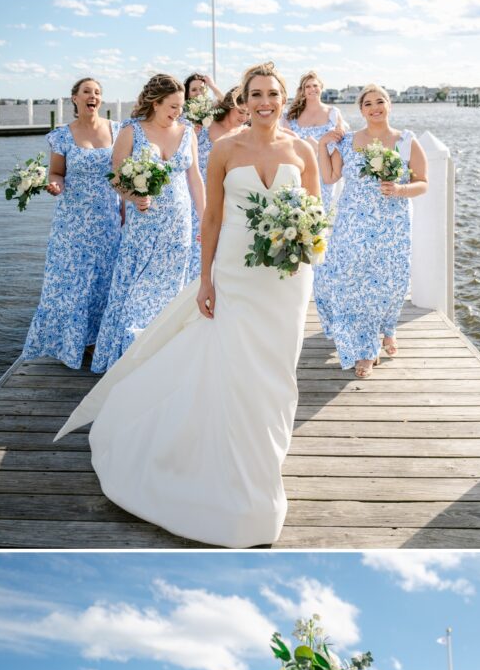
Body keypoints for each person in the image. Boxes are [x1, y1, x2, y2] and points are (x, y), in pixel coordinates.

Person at [55, 64, 322, 546]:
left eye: (273, 94)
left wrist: (307, 243)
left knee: (279, 367)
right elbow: (213, 218)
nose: (265, 102)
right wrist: (205, 280)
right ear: (244, 98)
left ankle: (268, 443)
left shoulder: (302, 149)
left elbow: (318, 216)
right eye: (256, 94)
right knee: (237, 363)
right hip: (236, 272)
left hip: (288, 278)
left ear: (285, 99)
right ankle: (244, 471)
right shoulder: (223, 148)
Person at [91, 73, 204, 372]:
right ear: (155, 103)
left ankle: (164, 356)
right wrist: (132, 196)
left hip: (179, 224)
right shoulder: (131, 131)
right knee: (137, 289)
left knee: (170, 289)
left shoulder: (188, 132)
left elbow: (195, 180)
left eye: (181, 107)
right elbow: (116, 178)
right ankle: (131, 357)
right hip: (144, 223)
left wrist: (204, 220)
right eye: (172, 106)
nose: (178, 112)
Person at [316, 83, 428, 377]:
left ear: (389, 105)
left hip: (391, 225)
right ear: (361, 110)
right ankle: (366, 343)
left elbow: (423, 182)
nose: (375, 107)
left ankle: (382, 334)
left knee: (388, 282)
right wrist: (321, 146)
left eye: (380, 101)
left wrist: (401, 188)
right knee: (344, 279)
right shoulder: (349, 140)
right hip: (352, 225)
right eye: (368, 103)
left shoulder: (406, 141)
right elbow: (329, 177)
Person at [22, 77, 122, 368]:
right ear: (75, 99)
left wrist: (127, 211)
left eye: (98, 93)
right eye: (87, 92)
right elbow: (56, 173)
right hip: (73, 223)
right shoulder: (61, 136)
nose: (94, 96)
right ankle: (72, 342)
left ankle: (98, 341)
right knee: (71, 282)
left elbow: (125, 175)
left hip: (107, 220)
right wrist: (55, 185)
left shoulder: (117, 131)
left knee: (104, 279)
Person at [190, 87, 248, 281]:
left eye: (248, 113)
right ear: (229, 106)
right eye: (241, 111)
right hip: (198, 199)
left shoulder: (247, 135)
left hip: (228, 204)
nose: (244, 117)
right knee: (195, 256)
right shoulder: (204, 126)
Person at [283, 70, 349, 209]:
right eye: (307, 86)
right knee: (299, 212)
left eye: (315, 85)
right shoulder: (291, 115)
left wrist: (321, 146)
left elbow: (342, 138)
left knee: (322, 212)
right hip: (301, 169)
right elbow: (285, 144)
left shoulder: (333, 113)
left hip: (325, 170)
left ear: (321, 88)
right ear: (302, 91)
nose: (312, 89)